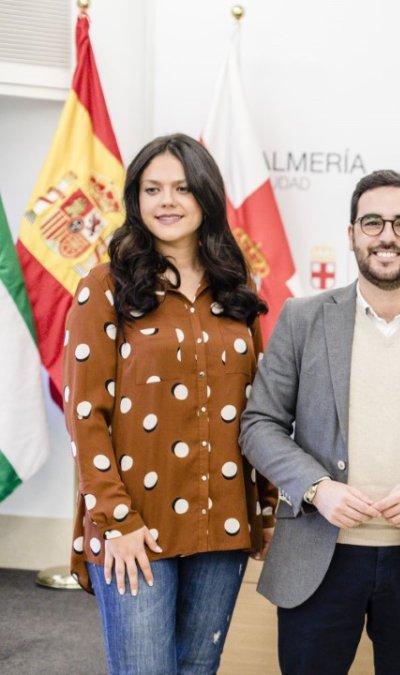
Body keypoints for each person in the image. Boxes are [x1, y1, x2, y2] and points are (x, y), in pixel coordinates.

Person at [239, 169, 400, 675]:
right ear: (352, 234)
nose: (387, 236)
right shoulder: (302, 318)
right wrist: (316, 488)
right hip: (319, 554)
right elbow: (259, 424)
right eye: (372, 222)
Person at [62, 133, 275, 674]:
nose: (167, 201)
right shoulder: (104, 286)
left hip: (222, 518)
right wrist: (116, 520)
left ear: (206, 196)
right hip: (133, 525)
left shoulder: (237, 290)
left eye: (182, 188)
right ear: (136, 200)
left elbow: (259, 410)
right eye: (152, 189)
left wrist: (268, 510)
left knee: (198, 669)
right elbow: (86, 416)